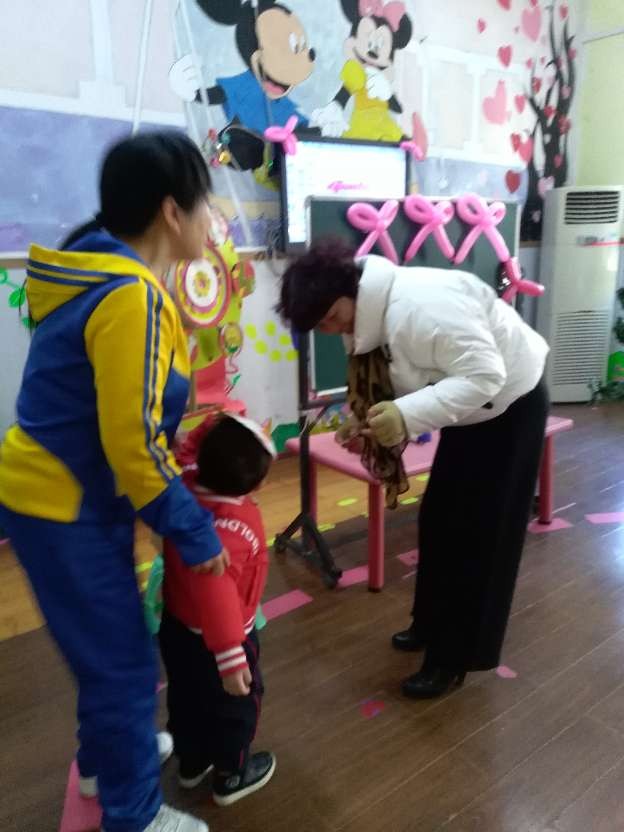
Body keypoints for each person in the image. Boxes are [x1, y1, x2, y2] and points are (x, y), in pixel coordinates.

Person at [0, 131, 228, 832]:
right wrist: (194, 531)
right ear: (171, 210)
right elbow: (131, 445)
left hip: (55, 497)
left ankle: (106, 761)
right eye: (206, 203)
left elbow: (124, 421)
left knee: (107, 648)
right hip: (64, 504)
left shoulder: (104, 275)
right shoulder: (132, 296)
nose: (214, 218)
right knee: (125, 664)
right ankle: (134, 815)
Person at [277, 238, 550, 699]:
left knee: (479, 540)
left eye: (330, 317)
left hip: (510, 406)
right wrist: (367, 423)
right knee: (440, 519)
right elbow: (403, 378)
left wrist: (402, 416)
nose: (330, 329)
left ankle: (452, 658)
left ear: (347, 290)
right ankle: (429, 625)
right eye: (320, 325)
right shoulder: (368, 310)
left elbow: (486, 376)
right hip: (472, 410)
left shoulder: (420, 309)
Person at [159, 413, 277, 806]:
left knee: (186, 696)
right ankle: (232, 773)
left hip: (177, 625)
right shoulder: (230, 530)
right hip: (223, 639)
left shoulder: (187, 484)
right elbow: (217, 594)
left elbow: (188, 452)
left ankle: (192, 764)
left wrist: (215, 426)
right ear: (257, 485)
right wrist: (230, 655)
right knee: (236, 705)